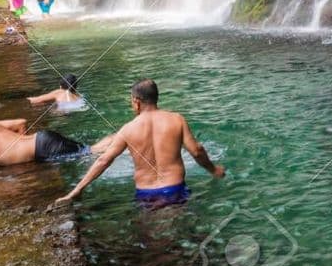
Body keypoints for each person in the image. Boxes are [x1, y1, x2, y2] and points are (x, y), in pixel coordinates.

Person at [56, 79, 224, 207]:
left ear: (136, 101)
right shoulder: (176, 120)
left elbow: (103, 160)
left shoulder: (128, 129)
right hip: (176, 189)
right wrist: (214, 169)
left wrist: (77, 190)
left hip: (146, 194)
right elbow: (197, 151)